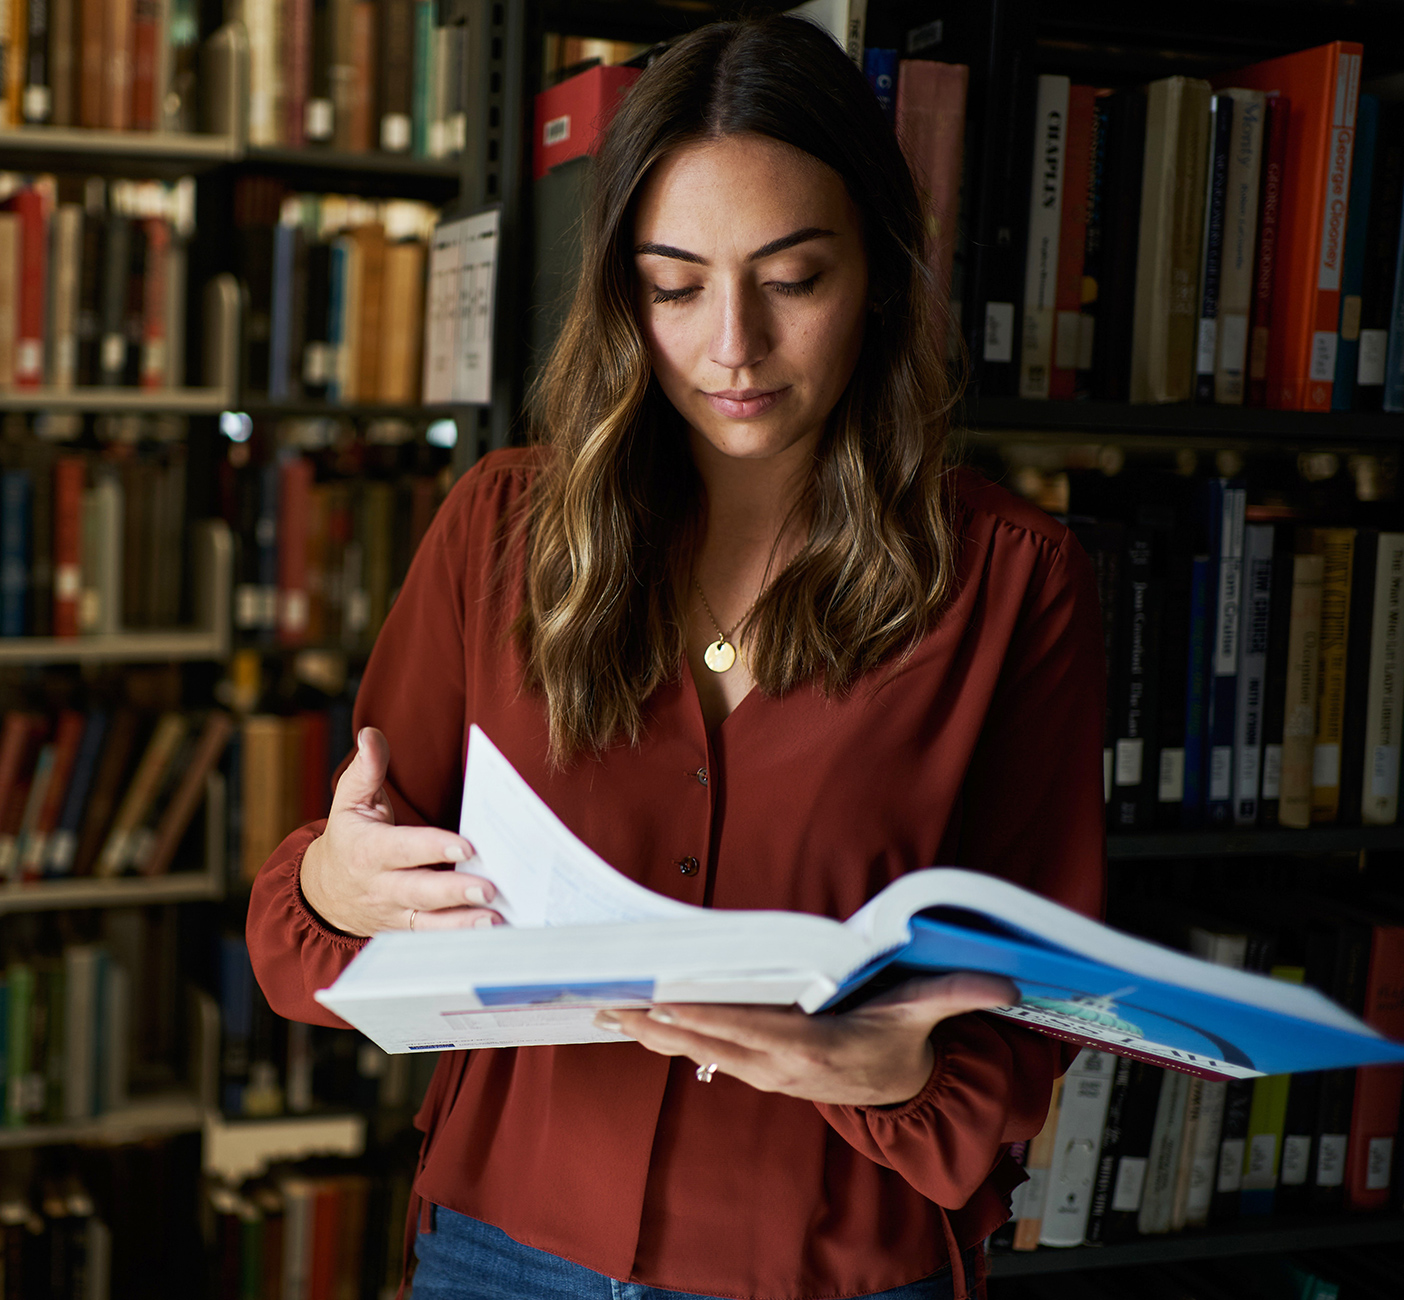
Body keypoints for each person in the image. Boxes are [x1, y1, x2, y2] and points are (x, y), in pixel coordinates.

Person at [247, 14, 1105, 1300]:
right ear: (621, 293)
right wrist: (339, 879)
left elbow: (1046, 988)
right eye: (675, 284)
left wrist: (910, 1071)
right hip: (501, 1249)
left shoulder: (1011, 581)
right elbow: (313, 908)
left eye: (792, 279)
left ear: (875, 269)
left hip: (828, 1263)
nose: (732, 348)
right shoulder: (498, 526)